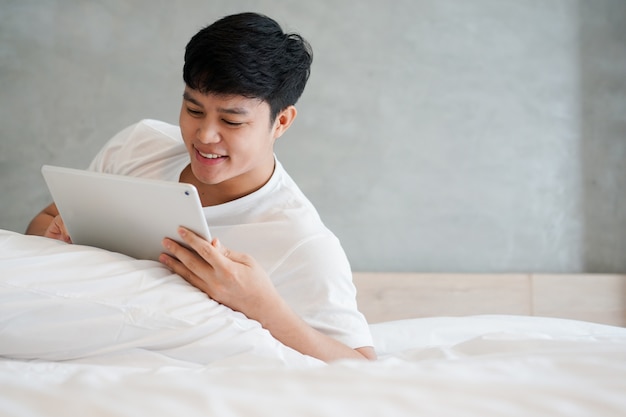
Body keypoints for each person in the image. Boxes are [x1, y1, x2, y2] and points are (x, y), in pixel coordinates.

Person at [26, 12, 376, 362]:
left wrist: (261, 306)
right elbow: (42, 223)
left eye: (231, 120)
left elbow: (362, 367)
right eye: (193, 110)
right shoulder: (138, 146)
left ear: (281, 121)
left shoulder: (302, 241)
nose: (205, 136)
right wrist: (58, 240)